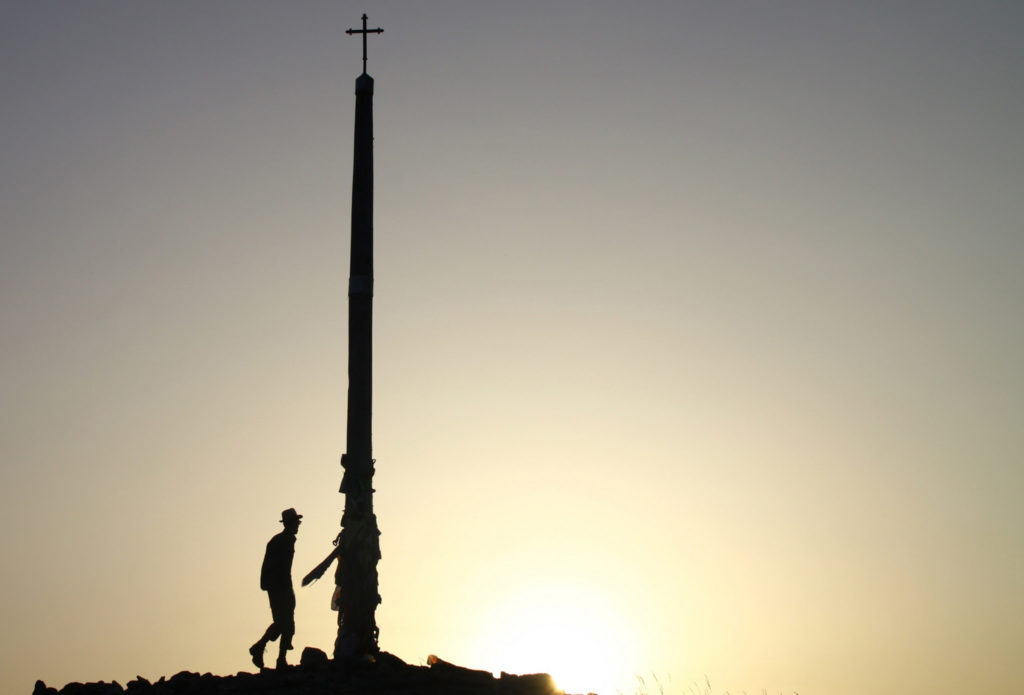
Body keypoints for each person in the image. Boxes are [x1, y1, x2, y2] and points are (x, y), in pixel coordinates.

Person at [249, 508, 302, 670]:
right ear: (290, 524)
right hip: (281, 586)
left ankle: (268, 651)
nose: (298, 525)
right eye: (296, 522)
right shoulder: (286, 540)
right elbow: (282, 567)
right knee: (285, 623)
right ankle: (276, 657)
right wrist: (285, 588)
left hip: (277, 586)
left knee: (283, 623)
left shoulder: (278, 540)